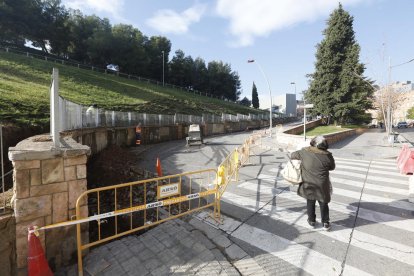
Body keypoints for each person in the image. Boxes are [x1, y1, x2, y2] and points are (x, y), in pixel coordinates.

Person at [291, 136, 335, 230]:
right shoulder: (328, 155)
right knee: (323, 202)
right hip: (322, 184)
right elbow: (332, 167)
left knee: (310, 201)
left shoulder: (304, 152)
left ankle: (311, 221)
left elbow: (293, 155)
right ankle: (325, 223)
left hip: (308, 183)